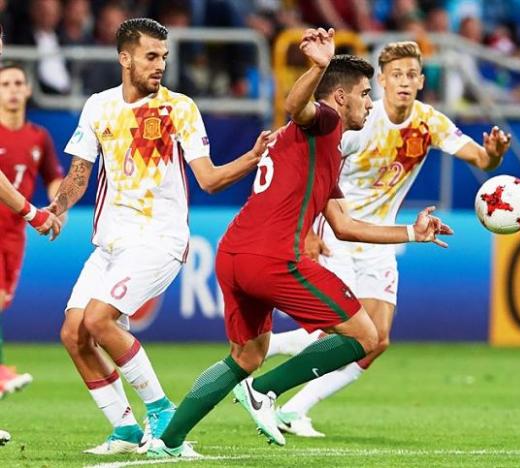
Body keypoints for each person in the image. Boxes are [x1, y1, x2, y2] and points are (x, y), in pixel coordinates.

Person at [147, 28, 454, 458]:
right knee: (366, 335)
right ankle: (266, 392)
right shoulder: (324, 123)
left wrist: (411, 233)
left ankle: (168, 440)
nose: (371, 103)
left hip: (234, 253)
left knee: (245, 356)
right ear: (341, 98)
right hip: (273, 257)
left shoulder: (324, 150)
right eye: (366, 94)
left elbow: (345, 226)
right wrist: (319, 66)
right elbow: (296, 106)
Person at [265, 41, 512, 437]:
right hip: (338, 231)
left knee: (376, 341)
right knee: (344, 333)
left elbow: (481, 160)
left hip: (380, 240)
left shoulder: (429, 122)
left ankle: (293, 406)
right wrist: (310, 230)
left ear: (420, 81)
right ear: (381, 80)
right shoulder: (360, 121)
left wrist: (494, 155)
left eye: (412, 74)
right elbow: (316, 169)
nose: (404, 81)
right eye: (396, 74)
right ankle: (268, 367)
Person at [48, 18, 272, 455]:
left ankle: (163, 411)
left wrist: (251, 156)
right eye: (152, 56)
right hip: (111, 241)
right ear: (125, 57)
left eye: (164, 57)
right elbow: (79, 173)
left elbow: (207, 179)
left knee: (99, 320)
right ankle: (125, 428)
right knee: (74, 333)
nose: (160, 66)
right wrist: (57, 208)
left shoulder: (179, 108)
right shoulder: (98, 106)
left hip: (159, 239)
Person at [0, 22, 61, 448]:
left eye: (19, 82)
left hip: (12, 234)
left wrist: (53, 208)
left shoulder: (39, 136)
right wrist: (32, 212)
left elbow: (53, 180)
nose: (13, 90)